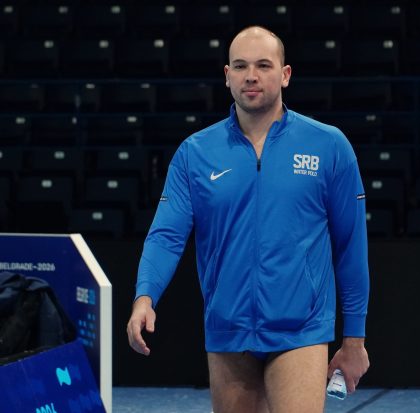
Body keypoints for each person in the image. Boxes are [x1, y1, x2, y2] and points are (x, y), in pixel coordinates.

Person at [127, 26, 370, 413]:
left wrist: (354, 339)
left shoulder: (328, 146)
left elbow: (350, 245)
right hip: (227, 332)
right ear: (227, 76)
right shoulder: (195, 153)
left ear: (285, 75)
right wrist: (145, 296)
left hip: (300, 331)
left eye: (263, 65)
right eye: (240, 66)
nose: (251, 76)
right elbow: (166, 236)